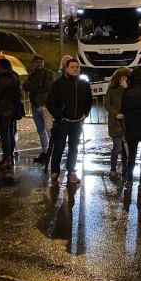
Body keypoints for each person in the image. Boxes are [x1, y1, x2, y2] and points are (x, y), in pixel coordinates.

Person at [46, 57, 92, 185]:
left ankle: (71, 172)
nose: (75, 69)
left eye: (77, 67)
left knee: (74, 148)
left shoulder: (84, 84)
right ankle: (55, 172)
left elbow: (89, 100)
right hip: (63, 122)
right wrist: (59, 117)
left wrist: (86, 113)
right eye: (72, 67)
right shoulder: (59, 84)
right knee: (59, 147)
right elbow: (50, 102)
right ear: (66, 69)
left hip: (77, 122)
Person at [0, 58, 22, 171]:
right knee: (10, 134)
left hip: (4, 111)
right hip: (12, 110)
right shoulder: (14, 77)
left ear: (2, 67)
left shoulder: (4, 80)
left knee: (5, 136)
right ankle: (9, 158)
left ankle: (6, 159)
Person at [23, 55, 55, 162]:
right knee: (40, 130)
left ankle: (53, 152)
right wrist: (36, 85)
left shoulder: (48, 74)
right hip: (35, 105)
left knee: (48, 129)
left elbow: (46, 87)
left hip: (44, 105)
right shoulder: (32, 75)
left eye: (41, 61)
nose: (39, 63)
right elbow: (25, 86)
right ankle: (45, 152)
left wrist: (34, 86)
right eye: (36, 62)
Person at [104, 67, 131, 178]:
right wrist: (115, 114)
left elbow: (133, 100)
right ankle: (113, 169)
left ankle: (125, 168)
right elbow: (107, 103)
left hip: (127, 121)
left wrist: (127, 88)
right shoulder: (112, 88)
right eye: (122, 76)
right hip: (115, 122)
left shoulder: (130, 88)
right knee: (117, 147)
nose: (124, 78)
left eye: (126, 76)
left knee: (125, 148)